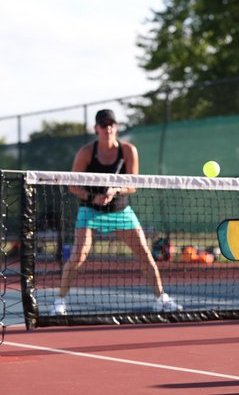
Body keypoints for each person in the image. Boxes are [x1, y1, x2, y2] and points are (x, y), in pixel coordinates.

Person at [51, 109, 181, 315]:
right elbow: (72, 185)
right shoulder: (86, 153)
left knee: (145, 255)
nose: (108, 128)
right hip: (90, 211)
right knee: (78, 256)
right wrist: (92, 197)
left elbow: (133, 185)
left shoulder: (128, 150)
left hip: (121, 211)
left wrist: (115, 190)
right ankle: (59, 302)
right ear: (96, 129)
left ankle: (161, 298)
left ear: (116, 128)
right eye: (103, 125)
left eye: (111, 124)